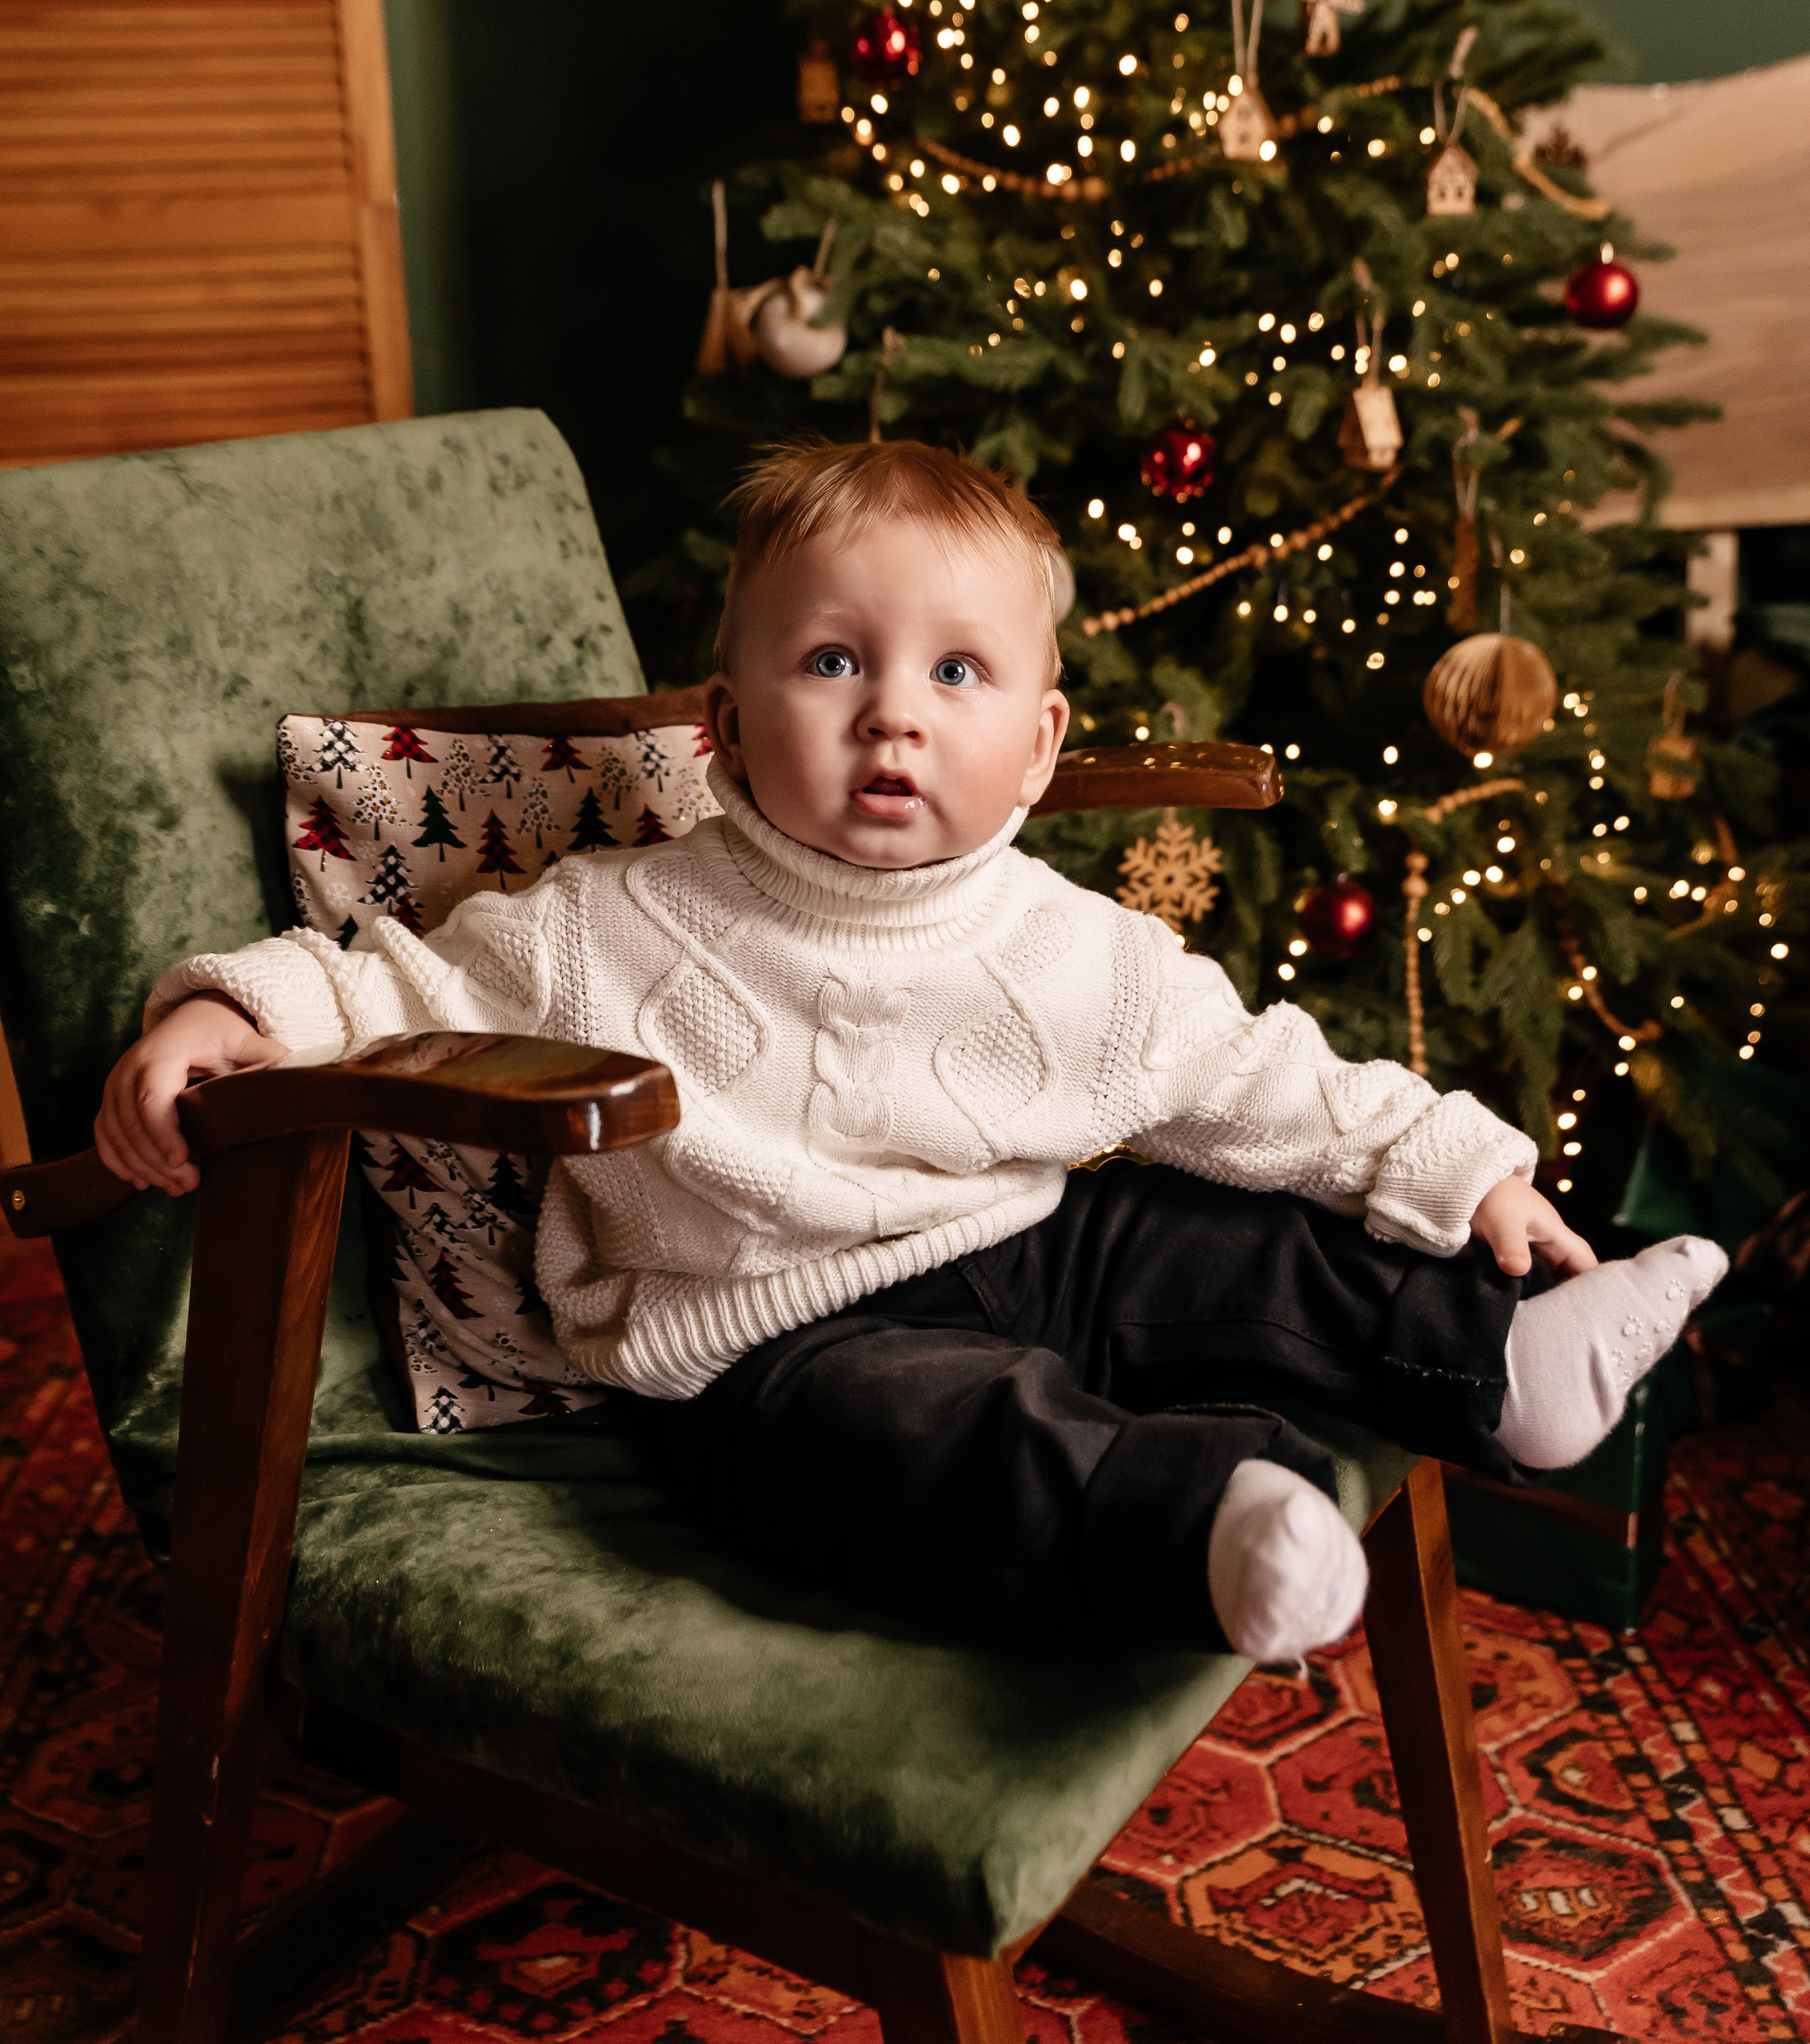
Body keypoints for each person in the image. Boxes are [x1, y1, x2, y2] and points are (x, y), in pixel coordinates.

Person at [95, 439, 1724, 1662]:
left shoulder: (1069, 942)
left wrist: (1465, 1166)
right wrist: (224, 1015)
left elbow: (1264, 1085)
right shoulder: (600, 927)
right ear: (723, 723)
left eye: (957, 672)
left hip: (1021, 1241)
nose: (894, 714)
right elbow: (391, 985)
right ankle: (1210, 1520)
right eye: (830, 663)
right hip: (757, 1343)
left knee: (1233, 1241)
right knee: (932, 1443)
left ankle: (1494, 1361)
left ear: (1037, 742)